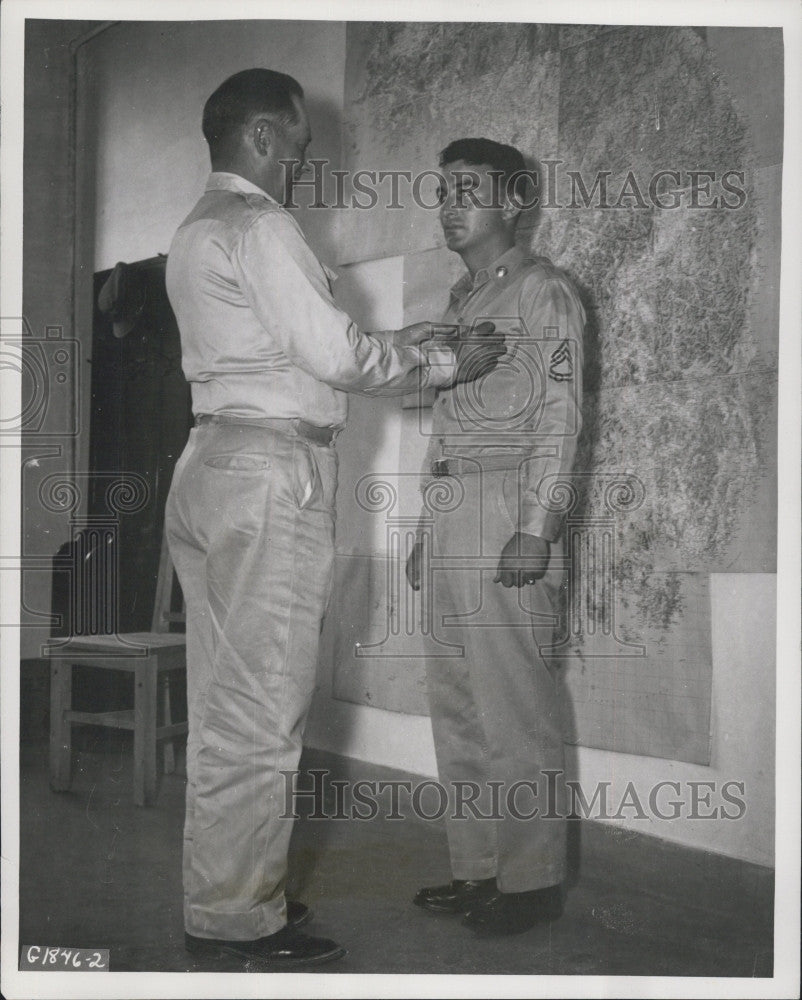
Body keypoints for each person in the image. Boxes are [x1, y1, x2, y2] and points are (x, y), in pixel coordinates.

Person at [164, 72, 504, 969]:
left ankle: (227, 892)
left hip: (209, 463)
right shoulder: (263, 225)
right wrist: (442, 365)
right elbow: (335, 354)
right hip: (272, 472)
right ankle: (239, 922)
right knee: (264, 715)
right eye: (301, 146)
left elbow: (295, 344)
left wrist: (414, 341)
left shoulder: (197, 228)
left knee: (222, 708)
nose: (306, 164)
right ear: (267, 136)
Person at [406, 138, 585, 936]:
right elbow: (444, 423)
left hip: (507, 512)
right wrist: (424, 528)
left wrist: (539, 527)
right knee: (459, 704)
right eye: (443, 190)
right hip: (451, 514)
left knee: (515, 706)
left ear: (512, 203)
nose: (449, 204)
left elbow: (560, 417)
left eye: (467, 190)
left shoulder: (544, 292)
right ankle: (479, 869)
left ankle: (533, 882)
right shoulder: (461, 298)